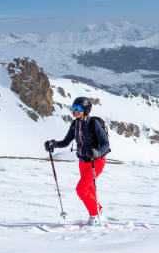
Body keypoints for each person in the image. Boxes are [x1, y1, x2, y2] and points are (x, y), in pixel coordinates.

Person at [44, 97, 110, 226]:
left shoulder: (93, 124)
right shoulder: (75, 124)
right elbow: (66, 142)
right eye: (74, 108)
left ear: (86, 109)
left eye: (80, 108)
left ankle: (94, 215)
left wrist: (97, 152)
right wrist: (53, 144)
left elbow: (106, 144)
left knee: (81, 188)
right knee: (89, 188)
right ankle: (98, 209)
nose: (76, 111)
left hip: (95, 161)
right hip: (83, 162)